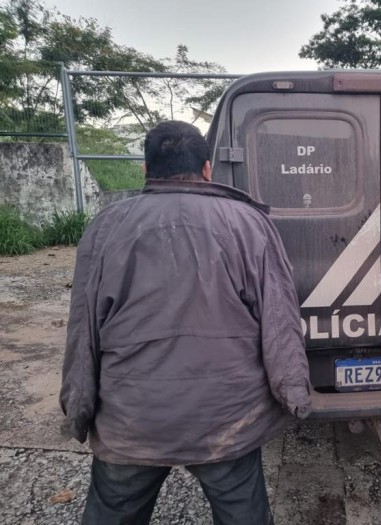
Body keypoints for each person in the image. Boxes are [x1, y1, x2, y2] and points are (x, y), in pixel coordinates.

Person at [60, 120, 311, 525]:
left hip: (131, 419)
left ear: (146, 169)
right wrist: (293, 393)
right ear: (207, 169)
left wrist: (78, 407)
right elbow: (280, 321)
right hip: (226, 420)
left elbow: (83, 329)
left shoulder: (105, 228)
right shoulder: (248, 224)